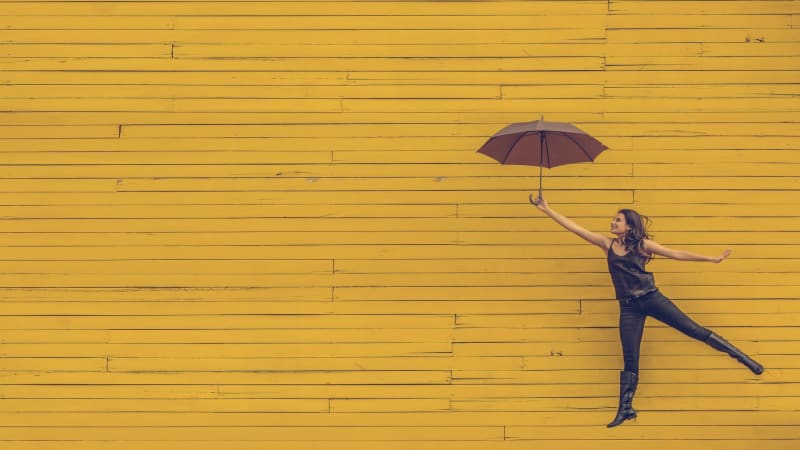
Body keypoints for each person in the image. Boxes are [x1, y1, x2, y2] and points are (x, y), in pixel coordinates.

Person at [529, 195, 764, 428]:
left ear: (629, 226)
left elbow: (676, 253)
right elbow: (575, 228)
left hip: (652, 299)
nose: (612, 223)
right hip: (629, 307)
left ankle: (745, 359)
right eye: (614, 219)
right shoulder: (606, 243)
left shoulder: (642, 245)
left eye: (617, 220)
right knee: (630, 356)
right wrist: (546, 209)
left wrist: (711, 259)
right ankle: (626, 408)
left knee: (693, 330)